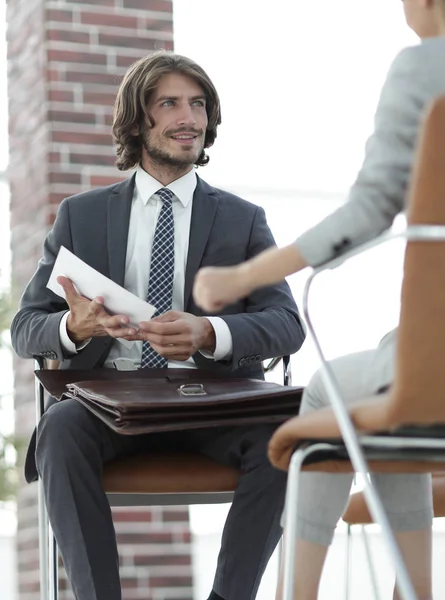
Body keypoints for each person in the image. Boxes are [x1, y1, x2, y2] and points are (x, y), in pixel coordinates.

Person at [10, 52, 306, 600]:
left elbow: (286, 324)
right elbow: (27, 327)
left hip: (213, 399)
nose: (187, 117)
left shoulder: (242, 219)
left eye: (197, 104)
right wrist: (74, 329)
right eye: (169, 103)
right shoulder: (83, 214)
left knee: (281, 439)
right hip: (110, 405)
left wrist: (209, 333)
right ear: (138, 118)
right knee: (59, 429)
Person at [193, 1, 445, 598]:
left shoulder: (423, 70)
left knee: (331, 390)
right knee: (381, 390)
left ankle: (296, 593)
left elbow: (366, 213)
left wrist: (239, 278)